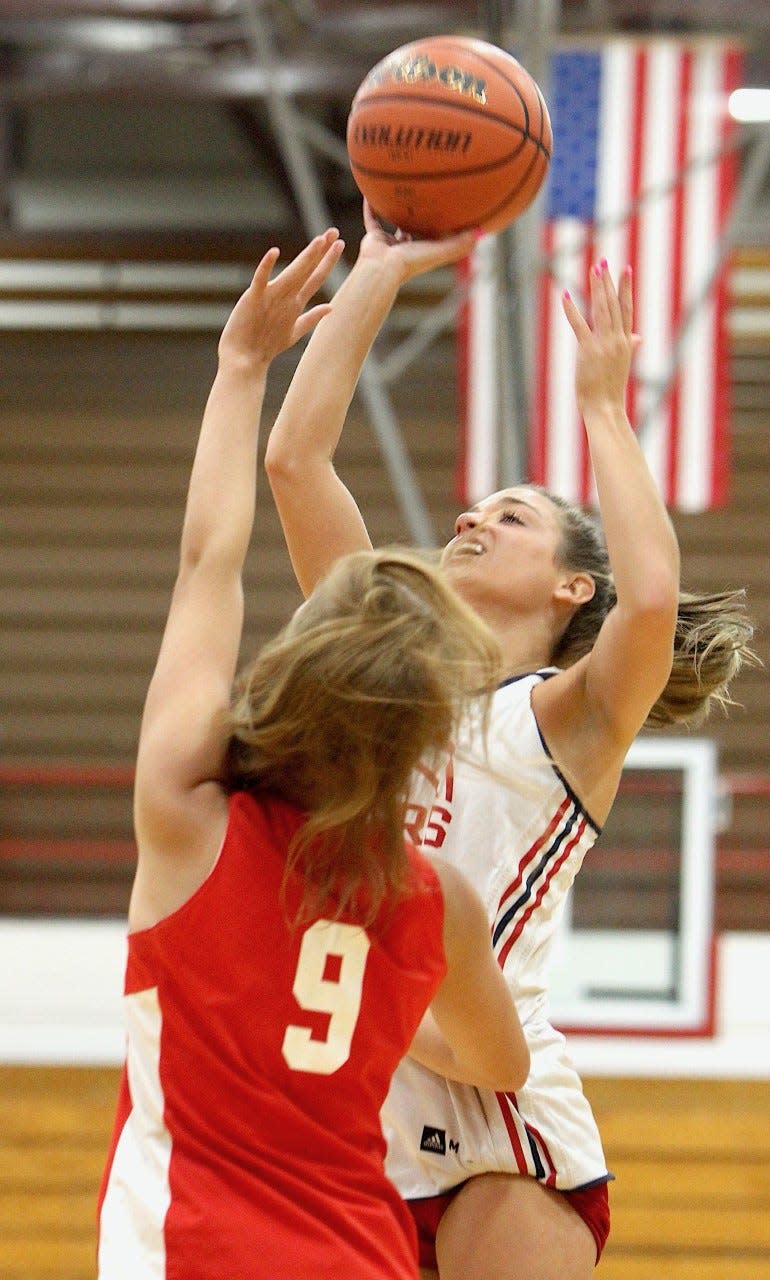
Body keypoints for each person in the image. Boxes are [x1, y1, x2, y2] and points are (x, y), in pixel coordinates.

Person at [263, 205, 756, 1280]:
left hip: (496, 1113)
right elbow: (296, 461)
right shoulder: (375, 666)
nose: (473, 519)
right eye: (474, 508)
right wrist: (379, 273)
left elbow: (652, 598)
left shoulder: (562, 715)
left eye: (513, 517)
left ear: (570, 583)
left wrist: (601, 409)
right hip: (353, 1101)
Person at [95, 229, 532, 1280]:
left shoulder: (187, 812)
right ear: (421, 735)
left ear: (289, 669)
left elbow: (210, 556)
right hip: (358, 1252)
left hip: (187, 1247)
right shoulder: (437, 899)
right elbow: (499, 1064)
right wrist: (388, 1028)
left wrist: (240, 364)